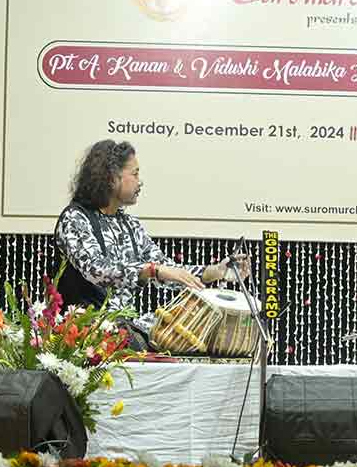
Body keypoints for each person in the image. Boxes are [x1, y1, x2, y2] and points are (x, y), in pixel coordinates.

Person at [55, 140, 249, 343]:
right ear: (111, 178)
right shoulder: (75, 219)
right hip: (82, 335)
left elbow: (167, 269)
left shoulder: (130, 224)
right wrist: (152, 270)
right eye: (135, 174)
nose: (140, 182)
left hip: (123, 334)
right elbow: (97, 270)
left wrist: (215, 271)